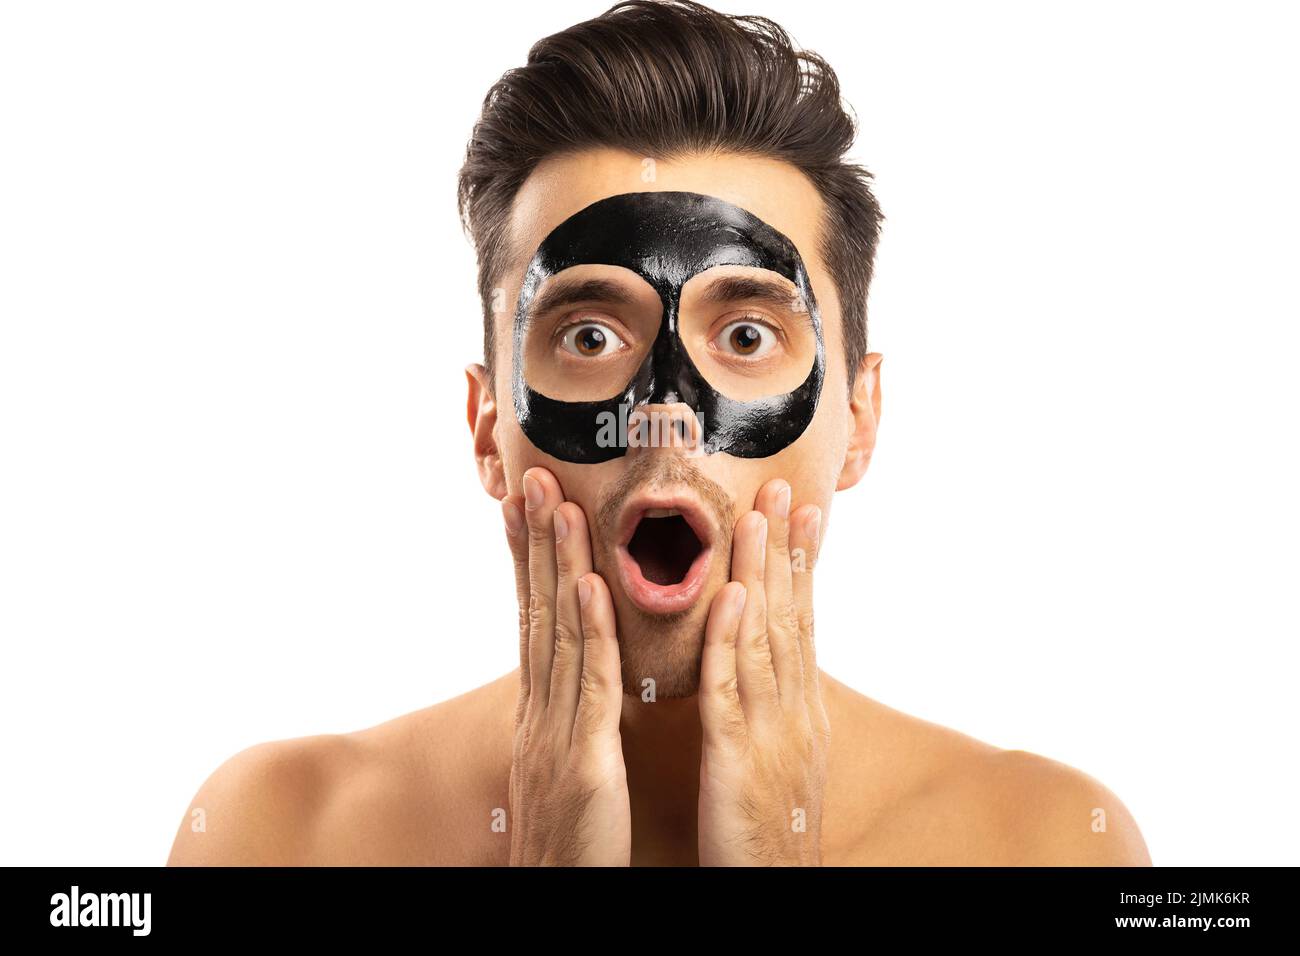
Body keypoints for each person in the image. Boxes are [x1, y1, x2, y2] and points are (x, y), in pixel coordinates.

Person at [168, 0, 1151, 866]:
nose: (666, 410)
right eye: (588, 333)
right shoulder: (283, 833)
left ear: (860, 417)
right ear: (486, 424)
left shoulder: (1048, 842)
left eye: (747, 333)